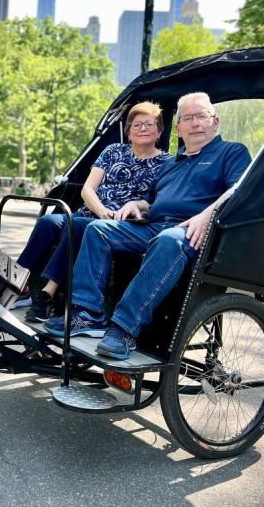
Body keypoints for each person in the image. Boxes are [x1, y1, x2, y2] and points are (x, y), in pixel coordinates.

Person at [44, 91, 251, 360]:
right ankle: (88, 315)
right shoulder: (171, 163)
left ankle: (124, 330)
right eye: (188, 118)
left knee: (168, 239)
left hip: (193, 232)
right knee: (97, 230)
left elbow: (239, 190)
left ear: (215, 121)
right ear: (178, 128)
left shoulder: (231, 152)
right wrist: (137, 205)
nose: (196, 123)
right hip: (153, 226)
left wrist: (206, 215)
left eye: (202, 116)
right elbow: (153, 202)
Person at [14, 102, 171, 322]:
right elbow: (88, 189)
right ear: (128, 131)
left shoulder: (167, 163)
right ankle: (17, 283)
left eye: (149, 124)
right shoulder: (113, 150)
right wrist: (102, 211)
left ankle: (47, 293)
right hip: (93, 210)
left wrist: (115, 215)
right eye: (136, 125)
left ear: (160, 131)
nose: (142, 128)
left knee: (77, 226)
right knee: (48, 221)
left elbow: (158, 202)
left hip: (120, 224)